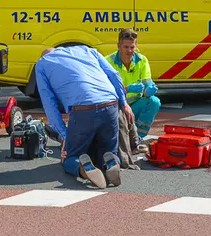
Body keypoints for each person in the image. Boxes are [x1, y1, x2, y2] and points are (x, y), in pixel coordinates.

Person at [35, 45, 136, 189]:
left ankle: (82, 168)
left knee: (70, 157)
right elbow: (114, 75)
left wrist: (65, 135)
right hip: (110, 104)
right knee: (108, 151)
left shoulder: (42, 63)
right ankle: (112, 161)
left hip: (82, 110)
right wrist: (123, 103)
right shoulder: (87, 50)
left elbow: (49, 104)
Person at [106, 29, 161, 140]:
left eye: (132, 47)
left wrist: (148, 91)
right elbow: (104, 92)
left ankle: (137, 138)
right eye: (126, 47)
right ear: (118, 46)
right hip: (116, 107)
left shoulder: (142, 60)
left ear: (136, 46)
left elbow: (147, 87)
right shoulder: (108, 62)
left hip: (134, 105)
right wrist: (127, 89)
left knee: (154, 102)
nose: (129, 51)